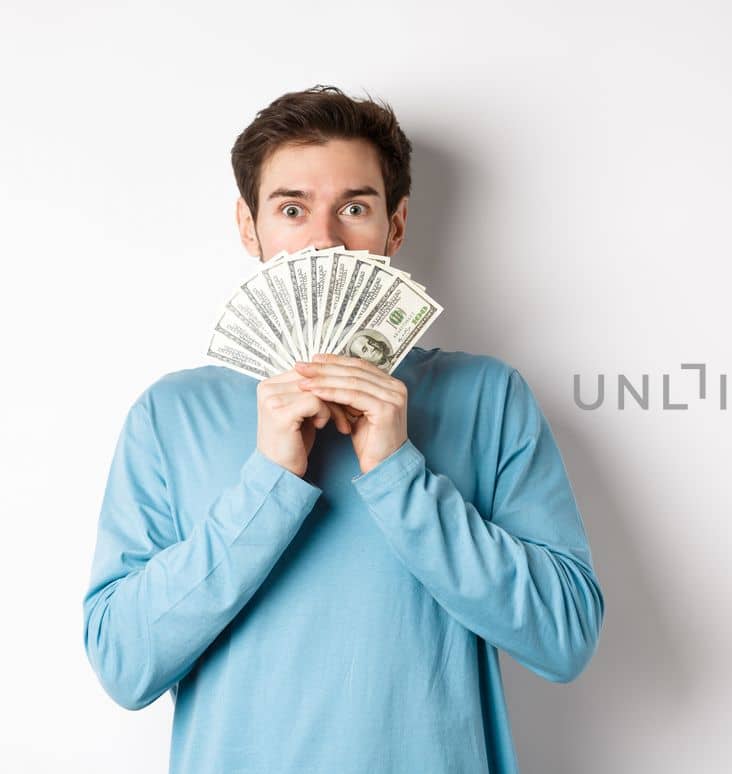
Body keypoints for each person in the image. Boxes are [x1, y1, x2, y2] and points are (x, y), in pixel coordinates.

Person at [81, 85, 604, 773]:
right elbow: (124, 664)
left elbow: (564, 638)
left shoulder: (487, 397)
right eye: (292, 209)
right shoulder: (171, 414)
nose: (324, 240)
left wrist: (398, 473)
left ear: (395, 225)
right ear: (250, 227)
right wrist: (267, 481)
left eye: (354, 207)